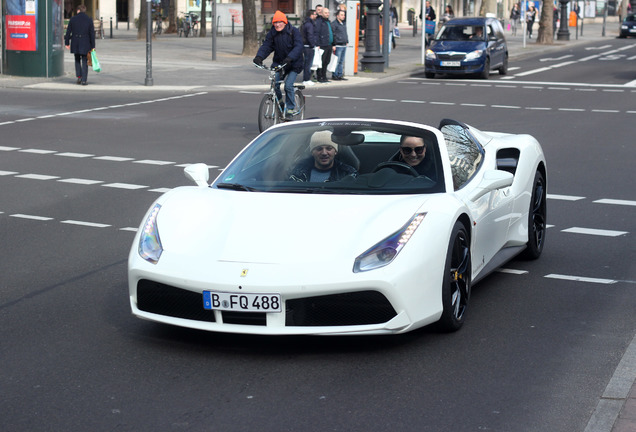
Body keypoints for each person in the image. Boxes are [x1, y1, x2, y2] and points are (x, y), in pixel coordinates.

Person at [253, 11, 303, 118]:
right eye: (275, 22)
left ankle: (290, 109)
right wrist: (259, 57)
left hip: (294, 63)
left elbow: (298, 46)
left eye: (280, 22)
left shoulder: (293, 31)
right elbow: (267, 46)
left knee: (288, 85)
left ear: (285, 22)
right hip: (279, 63)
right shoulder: (272, 33)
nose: (277, 24)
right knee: (275, 84)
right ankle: (280, 103)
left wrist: (290, 58)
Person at [289, 131, 357, 182]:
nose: (324, 153)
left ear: (335, 151)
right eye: (319, 149)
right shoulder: (298, 172)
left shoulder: (348, 174)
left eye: (329, 148)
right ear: (312, 152)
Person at [64, 5, 95, 86]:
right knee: (85, 61)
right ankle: (84, 80)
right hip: (85, 43)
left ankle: (79, 77)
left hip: (75, 42)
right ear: (84, 11)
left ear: (78, 11)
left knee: (77, 60)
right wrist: (93, 46)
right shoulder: (89, 20)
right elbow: (92, 34)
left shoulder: (73, 19)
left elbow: (68, 32)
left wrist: (67, 43)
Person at [315, 7, 333, 83]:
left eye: (328, 12)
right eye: (326, 13)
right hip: (322, 44)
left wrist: (333, 44)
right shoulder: (319, 21)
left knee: (326, 61)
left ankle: (324, 76)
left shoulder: (328, 21)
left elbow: (331, 33)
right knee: (321, 62)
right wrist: (318, 44)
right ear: (321, 13)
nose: (327, 14)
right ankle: (320, 77)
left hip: (329, 44)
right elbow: (317, 33)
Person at [301, 9, 318, 86]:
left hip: (306, 46)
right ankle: (306, 79)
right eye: (315, 14)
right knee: (308, 64)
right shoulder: (309, 24)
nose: (316, 16)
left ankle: (306, 78)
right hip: (308, 47)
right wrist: (313, 45)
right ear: (311, 15)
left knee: (307, 63)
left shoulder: (306, 23)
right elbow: (310, 36)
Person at [331, 9, 348, 81]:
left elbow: (345, 33)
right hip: (338, 45)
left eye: (344, 15)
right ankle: (335, 75)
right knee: (336, 61)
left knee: (341, 61)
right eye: (341, 15)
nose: (343, 16)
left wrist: (347, 41)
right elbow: (333, 34)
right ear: (337, 16)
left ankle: (340, 75)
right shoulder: (334, 24)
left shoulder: (343, 23)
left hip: (344, 44)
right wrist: (333, 44)